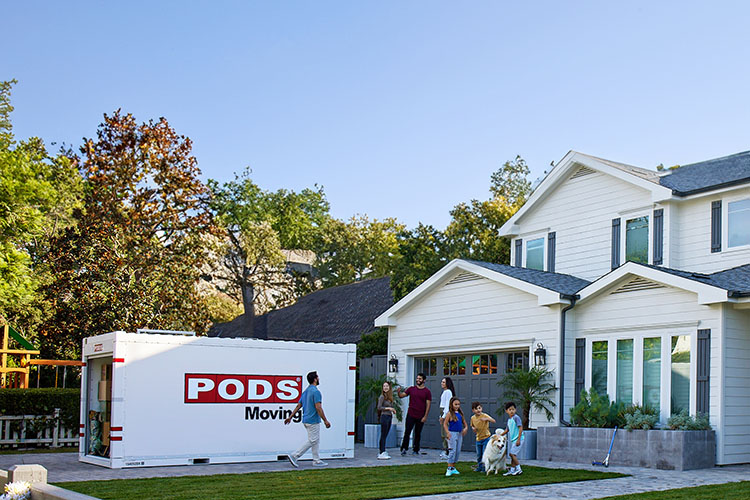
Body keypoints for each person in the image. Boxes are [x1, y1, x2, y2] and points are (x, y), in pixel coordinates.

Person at [284, 371, 331, 468]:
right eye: (318, 377)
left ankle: (316, 460)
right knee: (313, 440)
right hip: (313, 420)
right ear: (315, 379)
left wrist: (290, 417)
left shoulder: (306, 391)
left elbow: (299, 405)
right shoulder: (316, 392)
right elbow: (318, 407)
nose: (319, 379)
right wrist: (325, 420)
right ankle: (295, 455)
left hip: (306, 420)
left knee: (315, 440)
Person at [396, 373, 432, 456]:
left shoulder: (427, 392)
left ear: (424, 380)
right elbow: (402, 396)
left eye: (420, 379)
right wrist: (398, 393)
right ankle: (404, 448)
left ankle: (416, 449)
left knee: (418, 433)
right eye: (417, 378)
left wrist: (425, 416)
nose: (418, 380)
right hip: (411, 414)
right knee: (407, 431)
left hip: (421, 415)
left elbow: (428, 405)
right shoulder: (411, 389)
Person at [442, 396, 468, 476]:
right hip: (452, 433)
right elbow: (445, 424)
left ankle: (453, 467)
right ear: (452, 404)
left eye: (458, 404)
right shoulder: (449, 414)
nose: (457, 406)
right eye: (455, 404)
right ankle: (449, 468)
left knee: (457, 451)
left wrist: (465, 428)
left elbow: (464, 423)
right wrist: (447, 432)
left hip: (459, 433)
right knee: (452, 450)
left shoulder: (460, 413)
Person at [500, 401, 524, 476]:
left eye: (513, 409)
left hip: (519, 439)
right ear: (506, 411)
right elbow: (507, 430)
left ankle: (519, 469)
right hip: (513, 440)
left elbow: (520, 428)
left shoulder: (516, 418)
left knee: (511, 454)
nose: (511, 411)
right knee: (513, 455)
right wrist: (499, 435)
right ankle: (512, 470)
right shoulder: (509, 420)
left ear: (515, 410)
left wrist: (519, 439)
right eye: (510, 410)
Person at [470, 401, 496, 472]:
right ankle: (479, 467)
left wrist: (487, 419)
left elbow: (493, 421)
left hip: (486, 438)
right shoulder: (472, 418)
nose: (478, 410)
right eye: (476, 409)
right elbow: (472, 425)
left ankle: (485, 468)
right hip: (478, 439)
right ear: (473, 410)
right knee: (479, 454)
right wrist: (473, 428)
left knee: (485, 454)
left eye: (479, 408)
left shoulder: (484, 415)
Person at [376, 381, 397, 460]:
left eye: (387, 386)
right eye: (384, 386)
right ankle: (381, 451)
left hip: (389, 416)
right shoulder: (382, 397)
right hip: (384, 416)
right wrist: (388, 408)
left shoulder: (389, 397)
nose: (385, 388)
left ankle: (383, 450)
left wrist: (393, 410)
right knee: (383, 434)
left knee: (386, 434)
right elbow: (379, 407)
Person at [438, 377, 456, 460]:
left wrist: (443, 416)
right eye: (442, 382)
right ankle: (446, 450)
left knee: (445, 433)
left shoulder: (448, 392)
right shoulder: (445, 392)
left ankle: (447, 451)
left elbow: (447, 405)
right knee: (443, 433)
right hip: (443, 412)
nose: (442, 383)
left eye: (444, 382)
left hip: (445, 413)